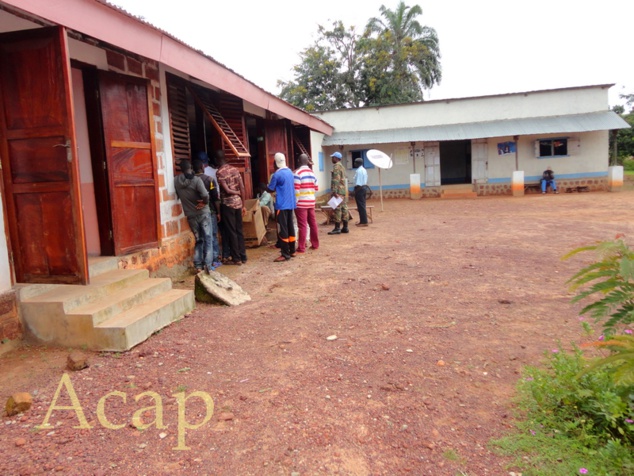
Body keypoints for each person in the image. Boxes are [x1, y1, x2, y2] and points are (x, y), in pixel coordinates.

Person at [174, 159, 214, 273]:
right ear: (191, 167)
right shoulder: (197, 180)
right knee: (208, 239)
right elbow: (205, 195)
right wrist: (205, 202)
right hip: (203, 213)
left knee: (199, 239)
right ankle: (208, 266)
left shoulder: (176, 181)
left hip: (190, 215)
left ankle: (198, 266)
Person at [216, 151, 248, 265]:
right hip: (238, 204)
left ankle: (236, 258)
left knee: (231, 231)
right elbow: (243, 188)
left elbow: (227, 191)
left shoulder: (219, 172)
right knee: (239, 230)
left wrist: (236, 192)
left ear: (217, 160)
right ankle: (243, 256)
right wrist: (243, 205)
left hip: (228, 205)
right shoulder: (235, 169)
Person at [267, 152, 296, 262]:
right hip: (290, 204)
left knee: (282, 229)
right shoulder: (290, 172)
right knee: (290, 227)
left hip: (281, 205)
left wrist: (264, 187)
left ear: (275, 163)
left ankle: (285, 254)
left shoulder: (277, 175)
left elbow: (271, 188)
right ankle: (292, 250)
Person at [193, 159, 222, 268]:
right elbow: (215, 198)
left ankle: (199, 263)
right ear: (203, 167)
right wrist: (218, 212)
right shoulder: (209, 180)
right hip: (210, 211)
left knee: (200, 238)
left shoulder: (191, 181)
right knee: (212, 235)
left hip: (195, 212)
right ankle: (213, 260)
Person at [294, 154, 319, 252]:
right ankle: (315, 244)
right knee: (313, 224)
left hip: (301, 203)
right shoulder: (312, 173)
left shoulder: (298, 173)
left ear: (299, 161)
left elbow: (296, 190)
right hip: (311, 202)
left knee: (302, 225)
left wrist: (296, 202)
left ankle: (301, 247)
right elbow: (316, 188)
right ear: (308, 162)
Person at [328, 151, 349, 235]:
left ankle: (337, 228)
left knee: (337, 208)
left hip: (338, 191)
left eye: (333, 157)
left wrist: (334, 191)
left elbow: (336, 180)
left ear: (336, 158)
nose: (332, 159)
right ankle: (345, 227)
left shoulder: (336, 167)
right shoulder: (342, 167)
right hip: (342, 190)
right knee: (344, 208)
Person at [353, 157, 369, 227]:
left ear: (357, 163)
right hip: (364, 188)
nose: (354, 163)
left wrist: (355, 192)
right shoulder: (364, 170)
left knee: (361, 206)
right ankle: (363, 221)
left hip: (360, 189)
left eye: (355, 162)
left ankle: (364, 222)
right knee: (362, 205)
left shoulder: (359, 171)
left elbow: (359, 183)